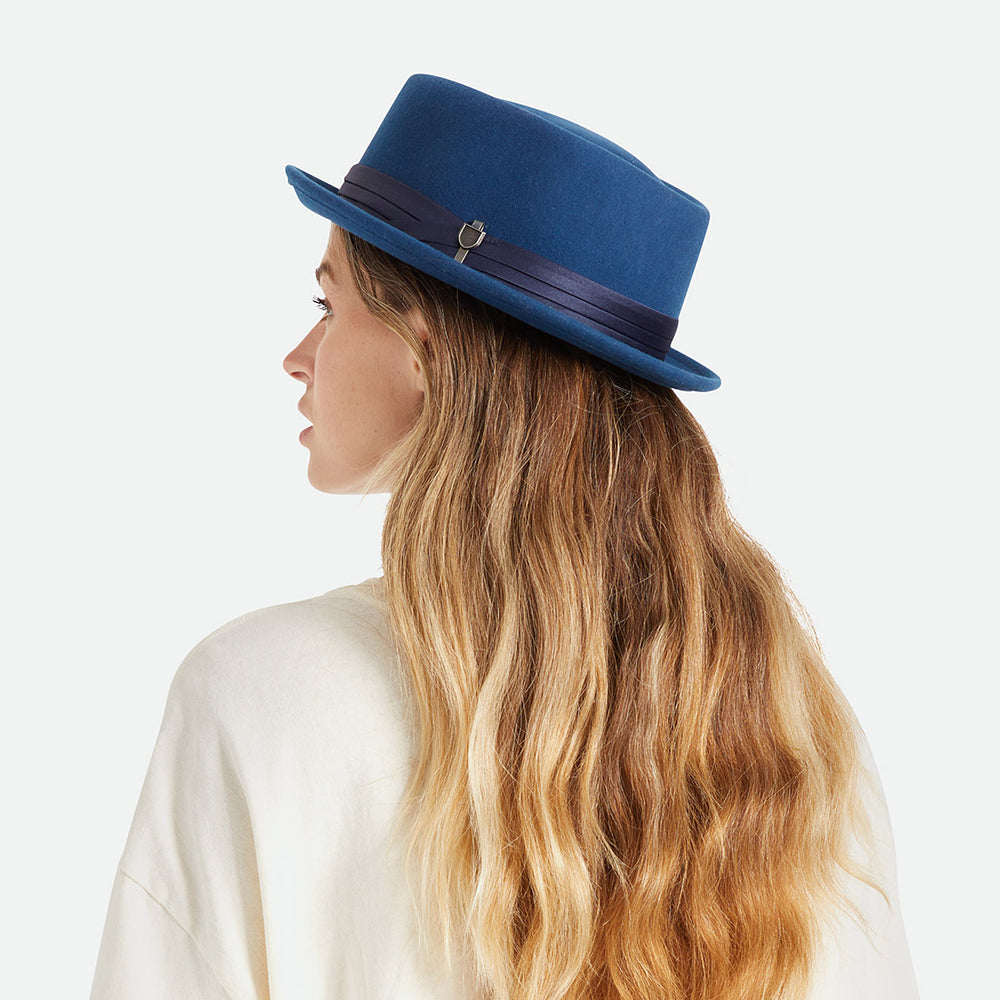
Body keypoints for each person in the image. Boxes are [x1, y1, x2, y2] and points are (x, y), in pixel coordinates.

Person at [89, 74, 921, 1000]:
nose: (298, 357)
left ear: (427, 351)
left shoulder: (258, 690)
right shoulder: (793, 727)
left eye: (328, 307)